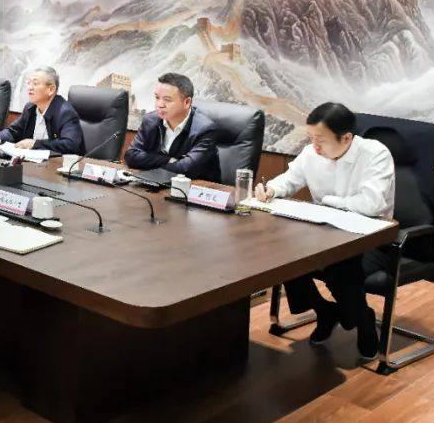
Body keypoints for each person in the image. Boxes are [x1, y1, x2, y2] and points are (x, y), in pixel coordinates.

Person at [255, 102, 394, 359]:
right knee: (282, 255)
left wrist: (330, 202)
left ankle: (362, 319)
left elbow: (372, 204)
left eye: (321, 139)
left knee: (337, 263)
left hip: (370, 240)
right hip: (325, 234)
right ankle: (324, 311)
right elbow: (290, 179)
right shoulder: (312, 153)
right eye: (311, 138)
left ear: (346, 138)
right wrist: (271, 189)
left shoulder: (375, 154)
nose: (314, 146)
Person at [123, 72, 221, 182]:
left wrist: (149, 163)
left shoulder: (205, 129)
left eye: (167, 99)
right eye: (157, 97)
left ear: (187, 102)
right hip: (157, 183)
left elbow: (187, 169)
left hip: (195, 188)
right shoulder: (150, 120)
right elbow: (131, 156)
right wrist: (169, 160)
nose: (160, 104)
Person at [0, 66, 84, 154]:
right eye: (28, 83)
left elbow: (70, 144)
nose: (29, 88)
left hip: (56, 165)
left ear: (51, 89)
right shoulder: (30, 108)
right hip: (32, 162)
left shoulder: (65, 112)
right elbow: (13, 131)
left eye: (35, 83)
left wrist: (35, 144)